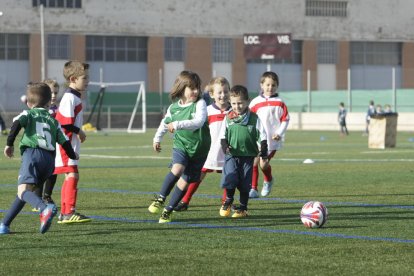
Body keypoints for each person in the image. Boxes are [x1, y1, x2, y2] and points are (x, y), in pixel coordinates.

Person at [0, 83, 78, 235]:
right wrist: (72, 155)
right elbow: (64, 142)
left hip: (33, 155)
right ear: (49, 103)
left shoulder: (28, 113)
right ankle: (4, 225)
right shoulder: (53, 121)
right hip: (49, 162)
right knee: (24, 192)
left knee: (23, 191)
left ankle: (44, 208)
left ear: (29, 103)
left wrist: (9, 144)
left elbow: (16, 124)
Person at [149, 70, 211, 223]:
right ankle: (160, 198)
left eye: (198, 87)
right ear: (182, 88)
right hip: (181, 145)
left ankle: (168, 211)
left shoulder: (200, 104)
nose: (196, 91)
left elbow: (198, 122)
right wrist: (157, 138)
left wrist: (177, 124)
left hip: (200, 150)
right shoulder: (173, 108)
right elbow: (165, 123)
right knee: (177, 169)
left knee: (184, 182)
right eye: (192, 88)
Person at [174, 76, 231, 212]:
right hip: (208, 151)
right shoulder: (207, 111)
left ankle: (226, 204)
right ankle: (185, 201)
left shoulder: (233, 112)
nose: (223, 95)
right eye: (219, 92)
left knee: (229, 177)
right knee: (197, 176)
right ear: (211, 94)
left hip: (228, 151)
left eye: (226, 91)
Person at [219, 85, 268, 218]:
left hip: (248, 156)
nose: (237, 106)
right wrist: (225, 147)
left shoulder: (254, 118)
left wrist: (264, 150)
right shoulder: (228, 118)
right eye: (234, 103)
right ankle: (228, 200)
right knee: (230, 177)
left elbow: (262, 135)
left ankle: (243, 208)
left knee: (245, 184)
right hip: (232, 155)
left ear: (247, 101)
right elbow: (222, 136)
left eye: (240, 103)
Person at [54, 61, 91, 224]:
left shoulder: (74, 96)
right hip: (65, 143)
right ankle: (68, 212)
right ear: (73, 78)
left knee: (71, 175)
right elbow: (65, 123)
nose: (87, 81)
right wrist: (80, 131)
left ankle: (64, 213)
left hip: (69, 143)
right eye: (85, 78)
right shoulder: (69, 97)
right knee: (73, 174)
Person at [248, 71, 290, 198]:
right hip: (256, 139)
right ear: (261, 85)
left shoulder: (280, 102)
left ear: (277, 86)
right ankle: (253, 189)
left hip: (272, 141)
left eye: (273, 85)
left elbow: (286, 119)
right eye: (267, 85)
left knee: (263, 164)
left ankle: (268, 180)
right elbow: (248, 118)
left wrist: (279, 133)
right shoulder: (255, 102)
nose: (270, 88)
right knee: (254, 163)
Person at [32, 79, 60, 210]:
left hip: (53, 146)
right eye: (51, 92)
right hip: (40, 146)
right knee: (40, 173)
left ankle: (47, 196)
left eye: (56, 92)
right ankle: (37, 199)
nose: (53, 95)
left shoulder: (57, 109)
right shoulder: (38, 110)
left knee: (53, 171)